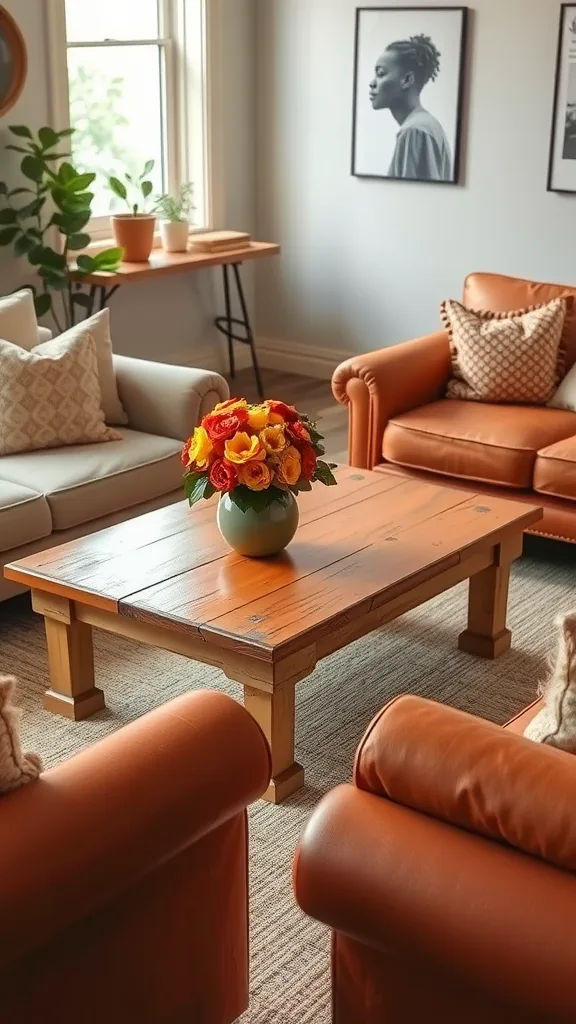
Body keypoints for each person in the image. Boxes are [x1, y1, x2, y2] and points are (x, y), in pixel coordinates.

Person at [369, 33, 452, 182]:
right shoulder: (426, 124)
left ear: (407, 80)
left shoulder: (414, 130)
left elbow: (409, 197)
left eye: (381, 73)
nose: (372, 83)